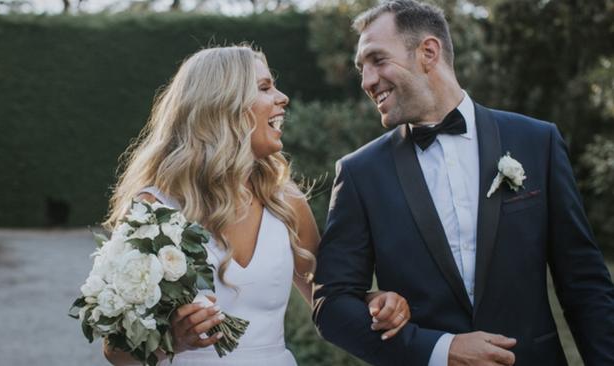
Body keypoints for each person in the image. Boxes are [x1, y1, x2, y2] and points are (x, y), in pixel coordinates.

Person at [312, 1, 614, 365]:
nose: (366, 81)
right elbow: (332, 305)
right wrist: (440, 350)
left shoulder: (537, 142)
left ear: (428, 52)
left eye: (377, 60)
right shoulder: (360, 173)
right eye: (361, 69)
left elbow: (585, 285)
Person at [101, 45, 411, 366]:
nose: (282, 97)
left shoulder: (286, 200)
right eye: (264, 87)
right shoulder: (155, 207)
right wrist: (172, 341)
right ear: (222, 105)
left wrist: (375, 302)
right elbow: (116, 351)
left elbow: (330, 298)